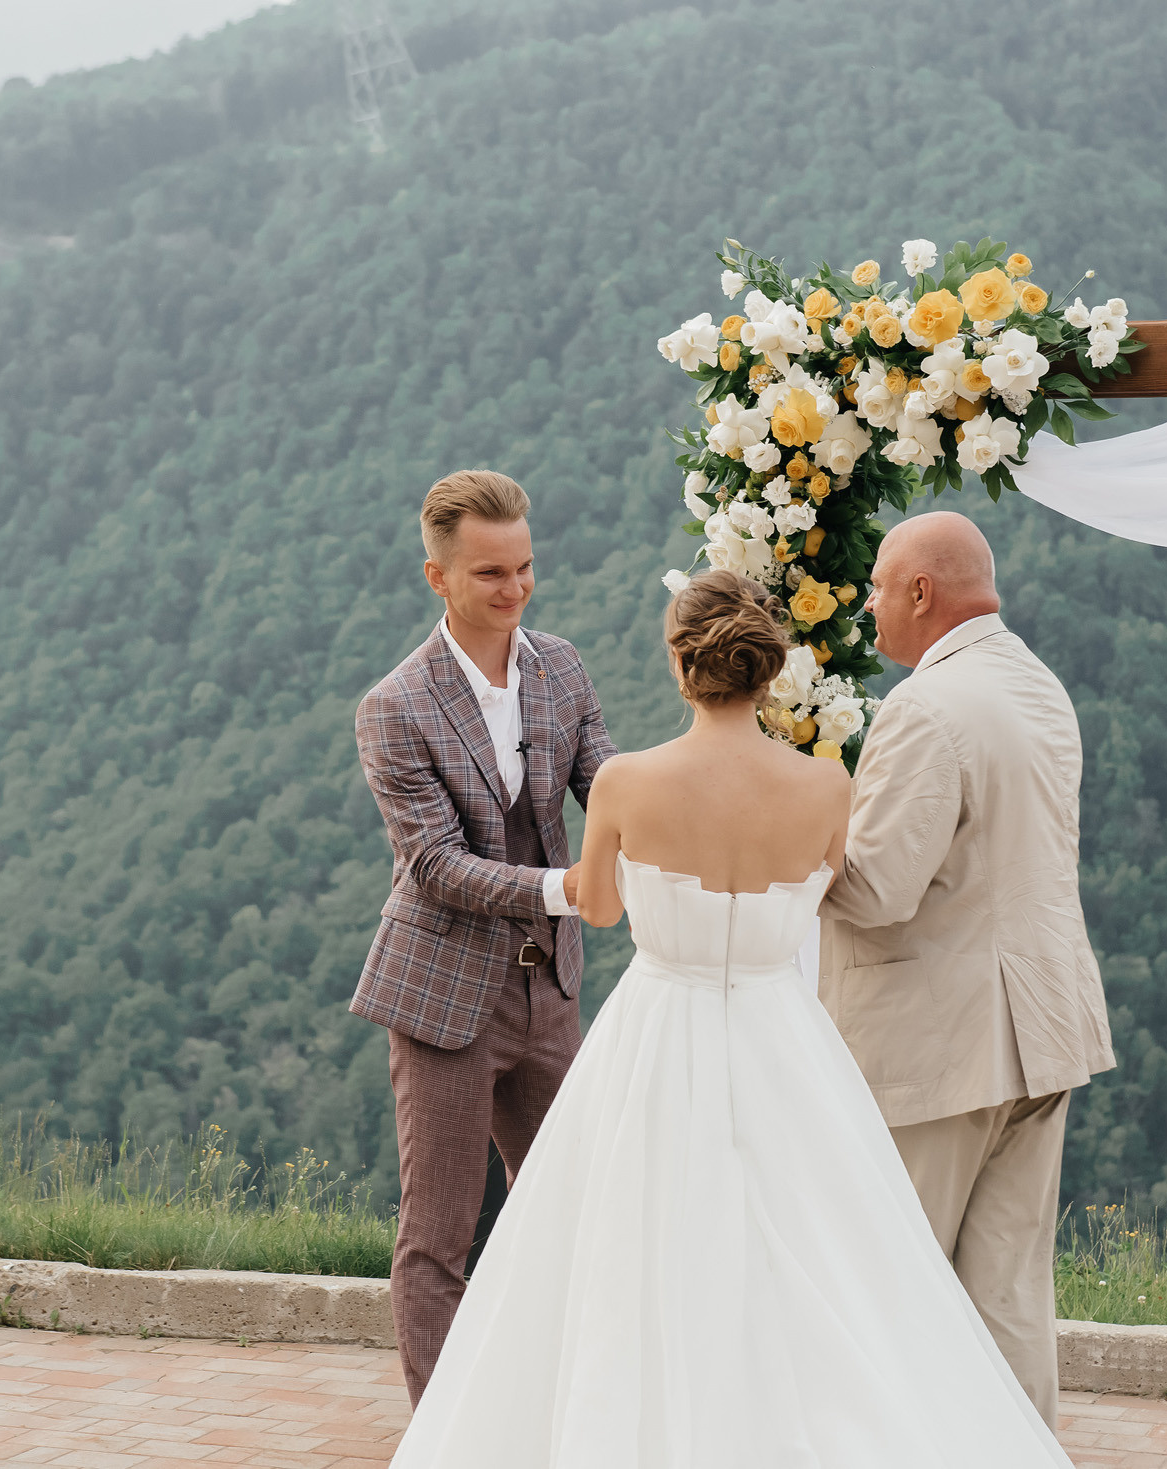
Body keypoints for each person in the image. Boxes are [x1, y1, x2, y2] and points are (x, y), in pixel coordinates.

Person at [389, 568, 1072, 1467]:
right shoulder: (826, 785)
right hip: (781, 1032)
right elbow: (834, 887)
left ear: (682, 663)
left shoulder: (627, 782)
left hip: (658, 1028)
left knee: (634, 1240)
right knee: (813, 1244)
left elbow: (600, 908)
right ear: (769, 669)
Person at [818, 510, 1115, 1425]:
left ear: (921, 591)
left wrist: (791, 830)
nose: (868, 606)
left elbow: (878, 888)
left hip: (939, 1046)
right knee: (1009, 1296)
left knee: (892, 1281)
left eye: (877, 587)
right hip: (1044, 1026)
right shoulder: (1038, 684)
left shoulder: (923, 708)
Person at [352, 468, 617, 1405]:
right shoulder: (395, 705)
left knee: (575, 1209)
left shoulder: (562, 667)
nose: (516, 589)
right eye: (491, 573)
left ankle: (553, 1410)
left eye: (525, 567)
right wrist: (564, 887)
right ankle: (443, 1434)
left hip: (551, 989)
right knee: (439, 1235)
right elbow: (435, 864)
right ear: (438, 577)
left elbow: (610, 787)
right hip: (440, 997)